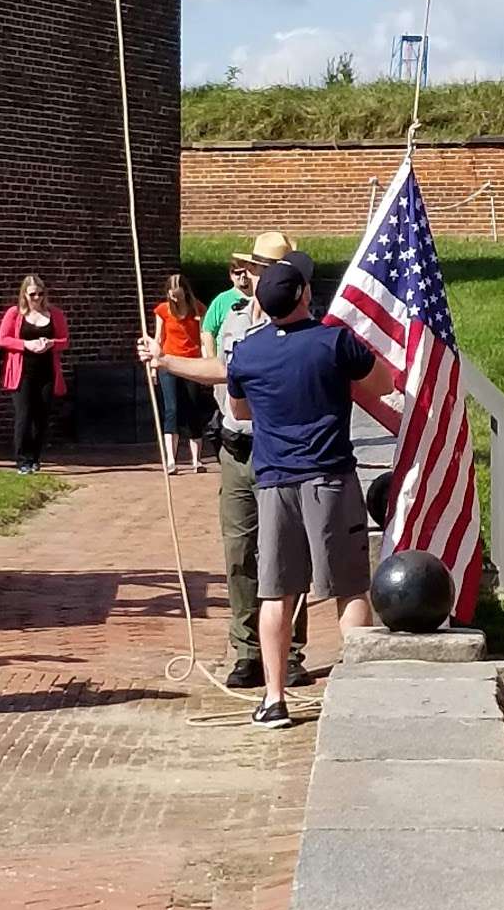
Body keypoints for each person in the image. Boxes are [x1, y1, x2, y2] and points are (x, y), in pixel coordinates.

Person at [227, 257, 393, 730]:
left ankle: (274, 699)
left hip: (274, 483)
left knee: (276, 592)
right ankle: (361, 694)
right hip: (330, 479)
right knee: (348, 587)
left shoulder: (248, 352)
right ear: (303, 295)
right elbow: (382, 384)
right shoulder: (334, 340)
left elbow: (240, 410)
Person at [140, 232, 311, 688]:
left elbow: (229, 372)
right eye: (252, 268)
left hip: (280, 452)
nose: (253, 276)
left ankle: (290, 652)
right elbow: (213, 363)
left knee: (286, 554)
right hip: (236, 449)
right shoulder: (229, 314)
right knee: (239, 553)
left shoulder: (296, 321)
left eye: (264, 270)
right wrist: (166, 359)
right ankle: (248, 649)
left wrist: (168, 362)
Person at [0, 274, 70, 474]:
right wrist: (25, 344)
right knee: (24, 415)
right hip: (22, 372)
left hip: (46, 371)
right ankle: (22, 459)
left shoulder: (54, 314)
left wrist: (51, 343)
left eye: (40, 293)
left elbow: (65, 340)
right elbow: (3, 339)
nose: (37, 298)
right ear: (24, 295)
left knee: (42, 416)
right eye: (32, 294)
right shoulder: (15, 314)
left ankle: (36, 457)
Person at [153, 274, 209, 473]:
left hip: (191, 363)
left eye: (178, 294)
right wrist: (154, 365)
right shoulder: (162, 310)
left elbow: (203, 338)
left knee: (193, 408)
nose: (175, 298)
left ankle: (197, 459)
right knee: (171, 410)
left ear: (185, 292)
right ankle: (171, 460)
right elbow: (158, 338)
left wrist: (206, 363)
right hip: (168, 363)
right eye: (171, 295)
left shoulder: (198, 309)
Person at [200, 258, 253, 359]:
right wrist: (212, 360)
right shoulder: (222, 300)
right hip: (228, 362)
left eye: (246, 272)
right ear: (231, 275)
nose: (243, 276)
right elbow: (208, 332)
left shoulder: (261, 297)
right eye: (238, 273)